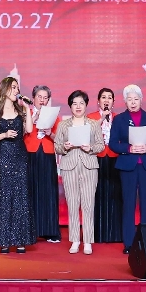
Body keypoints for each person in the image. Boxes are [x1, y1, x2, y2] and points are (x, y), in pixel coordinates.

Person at [107, 84, 146, 253]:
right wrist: (129, 148)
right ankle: (129, 243)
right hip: (128, 166)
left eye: (136, 99)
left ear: (141, 100)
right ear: (125, 101)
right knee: (128, 204)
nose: (133, 102)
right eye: (129, 99)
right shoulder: (119, 119)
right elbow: (113, 144)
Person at [53, 90, 104, 254]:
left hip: (89, 166)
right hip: (69, 166)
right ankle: (75, 240)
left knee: (88, 204)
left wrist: (90, 148)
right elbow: (57, 147)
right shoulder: (63, 125)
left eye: (81, 103)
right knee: (73, 204)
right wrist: (64, 147)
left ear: (86, 105)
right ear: (70, 106)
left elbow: (101, 145)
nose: (78, 106)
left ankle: (88, 241)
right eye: (74, 103)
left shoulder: (93, 124)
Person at [0, 76, 34, 253]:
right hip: (3, 156)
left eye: (17, 88)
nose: (16, 90)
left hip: (20, 156)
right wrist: (4, 135)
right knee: (4, 195)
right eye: (13, 87)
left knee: (21, 194)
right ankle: (4, 240)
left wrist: (27, 109)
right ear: (5, 89)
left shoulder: (20, 111)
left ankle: (21, 239)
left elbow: (29, 130)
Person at [25, 85, 62, 243]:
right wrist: (32, 119)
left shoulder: (54, 116)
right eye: (39, 97)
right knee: (30, 191)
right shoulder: (25, 113)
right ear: (33, 98)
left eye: (45, 98)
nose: (42, 100)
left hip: (47, 154)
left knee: (48, 191)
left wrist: (50, 133)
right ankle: (30, 230)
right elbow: (19, 135)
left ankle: (50, 230)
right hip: (30, 154)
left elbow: (60, 139)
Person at [90, 88, 123, 244]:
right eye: (103, 97)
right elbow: (88, 134)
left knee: (115, 195)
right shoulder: (91, 117)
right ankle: (98, 233)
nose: (106, 100)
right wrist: (102, 118)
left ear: (113, 102)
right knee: (98, 195)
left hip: (115, 159)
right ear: (98, 101)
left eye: (110, 98)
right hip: (97, 158)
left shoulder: (119, 118)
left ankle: (115, 233)